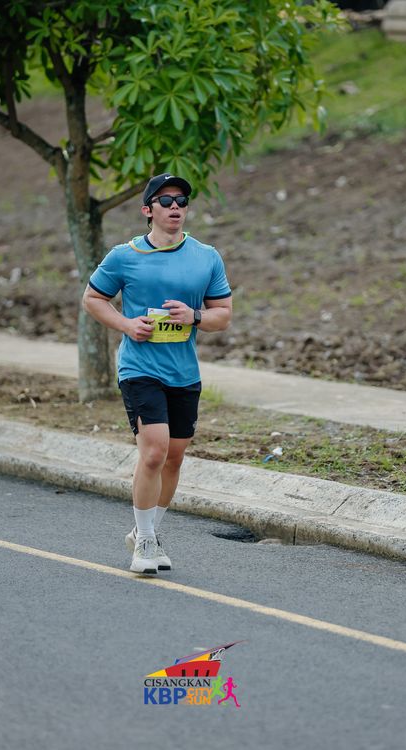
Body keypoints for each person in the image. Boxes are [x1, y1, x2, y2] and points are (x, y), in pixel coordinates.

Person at [82, 173, 232, 574]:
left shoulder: (206, 257)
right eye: (166, 201)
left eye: (182, 200)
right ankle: (146, 543)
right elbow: (93, 299)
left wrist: (195, 316)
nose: (175, 207)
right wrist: (127, 325)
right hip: (139, 368)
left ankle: (145, 530)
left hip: (183, 371)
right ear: (147, 210)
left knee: (174, 457)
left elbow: (222, 316)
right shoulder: (124, 256)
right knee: (154, 452)